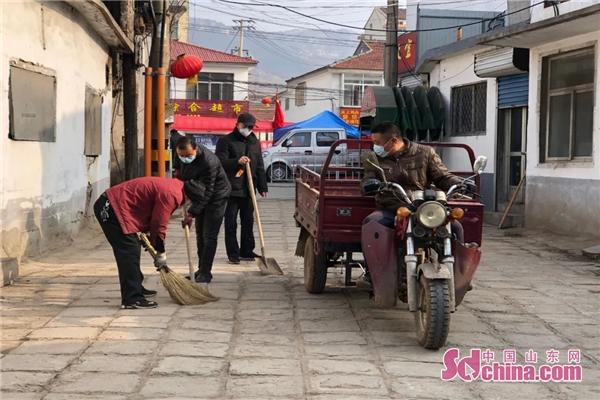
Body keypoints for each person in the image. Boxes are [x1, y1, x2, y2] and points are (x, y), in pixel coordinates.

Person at [360, 122, 465, 298]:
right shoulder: (372, 158)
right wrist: (369, 184)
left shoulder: (425, 153)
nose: (375, 146)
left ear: (393, 140)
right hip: (392, 207)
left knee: (456, 228)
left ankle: (460, 275)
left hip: (422, 207)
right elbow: (367, 179)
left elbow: (442, 176)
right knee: (372, 223)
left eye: (378, 142)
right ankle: (373, 274)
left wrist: (459, 183)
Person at [93, 177, 185, 309]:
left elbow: (151, 211)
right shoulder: (172, 195)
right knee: (128, 251)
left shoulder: (177, 186)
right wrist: (160, 252)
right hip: (110, 207)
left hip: (117, 205)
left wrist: (149, 237)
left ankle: (136, 287)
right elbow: (159, 224)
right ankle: (132, 298)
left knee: (133, 247)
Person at [177, 135, 231, 283]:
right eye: (181, 156)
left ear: (196, 149)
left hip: (216, 197)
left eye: (188, 155)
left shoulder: (209, 162)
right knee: (200, 234)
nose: (184, 158)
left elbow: (208, 192)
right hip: (199, 193)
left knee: (209, 235)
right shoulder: (182, 156)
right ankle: (201, 269)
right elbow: (183, 176)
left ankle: (206, 272)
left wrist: (192, 212)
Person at [215, 112, 268, 264]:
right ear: (238, 124)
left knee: (248, 221)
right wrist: (237, 161)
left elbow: (259, 164)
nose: (249, 129)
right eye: (246, 126)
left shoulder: (254, 142)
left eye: (251, 127)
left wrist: (263, 186)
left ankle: (247, 250)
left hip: (249, 188)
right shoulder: (226, 141)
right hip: (231, 189)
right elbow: (220, 162)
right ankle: (233, 253)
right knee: (231, 222)